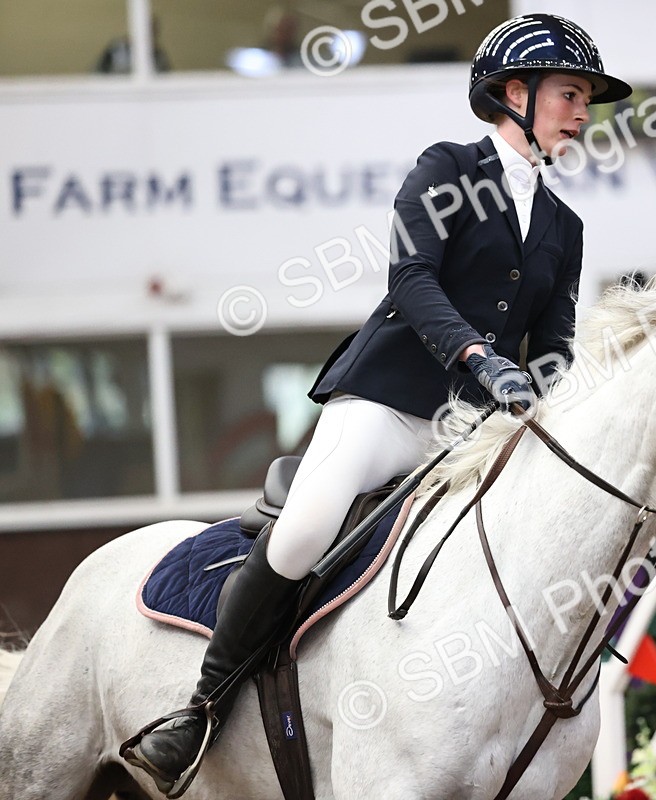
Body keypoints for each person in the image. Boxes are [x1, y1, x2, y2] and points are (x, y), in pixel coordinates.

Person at [123, 13, 630, 796]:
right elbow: (413, 280)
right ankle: (198, 709)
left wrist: (571, 408)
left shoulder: (565, 224)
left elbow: (555, 342)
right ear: (514, 93)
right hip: (385, 405)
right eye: (570, 92)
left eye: (587, 97)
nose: (583, 110)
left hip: (469, 435)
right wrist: (480, 359)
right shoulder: (447, 167)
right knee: (304, 534)